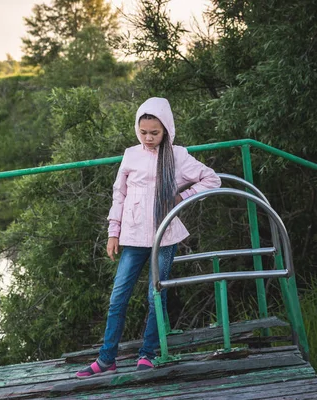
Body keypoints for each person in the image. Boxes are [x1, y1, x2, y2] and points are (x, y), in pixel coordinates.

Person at [75, 97, 221, 379]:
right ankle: (107, 358)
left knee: (156, 295)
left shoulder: (177, 156)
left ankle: (148, 354)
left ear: (166, 129)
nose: (149, 138)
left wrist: (181, 197)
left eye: (155, 132)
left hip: (164, 235)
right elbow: (120, 193)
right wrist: (113, 232)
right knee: (119, 296)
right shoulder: (131, 155)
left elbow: (212, 179)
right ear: (137, 129)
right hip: (132, 235)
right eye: (143, 132)